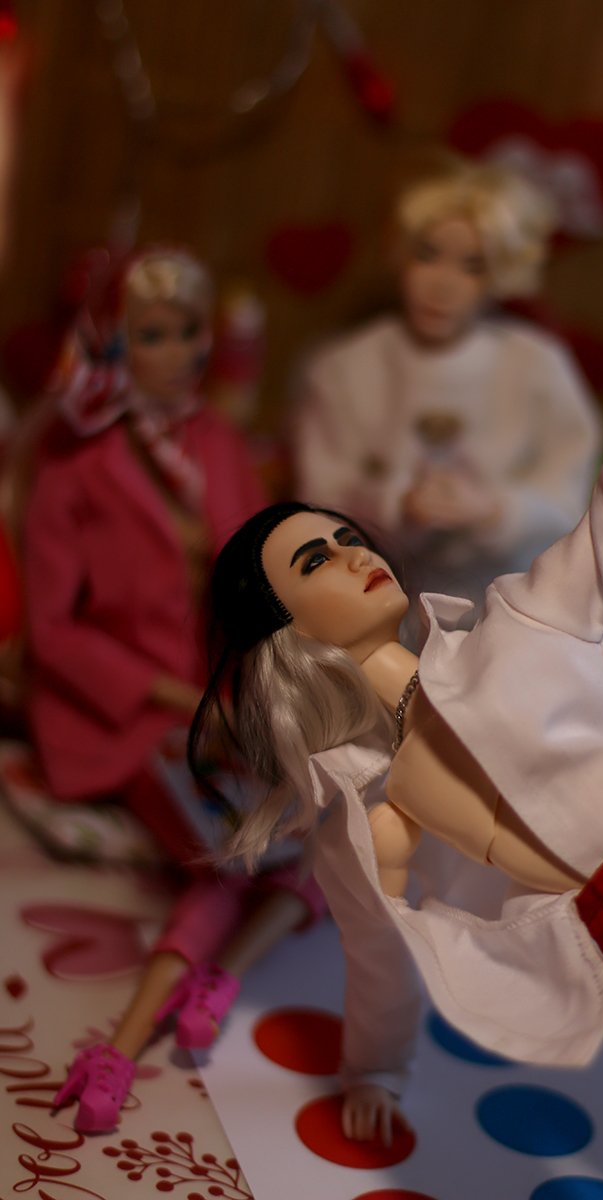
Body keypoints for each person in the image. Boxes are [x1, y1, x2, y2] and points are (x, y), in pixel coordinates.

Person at [190, 309, 603, 1179]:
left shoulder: (523, 620)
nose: (352, 553)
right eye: (315, 562)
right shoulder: (379, 812)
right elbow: (380, 958)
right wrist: (375, 1069)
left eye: (347, 536)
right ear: (289, 633)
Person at [20, 247, 323, 1133]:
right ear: (111, 345)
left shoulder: (217, 441)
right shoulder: (71, 466)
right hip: (119, 708)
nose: (182, 352)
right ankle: (123, 1044)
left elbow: (256, 564)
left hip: (221, 683)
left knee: (320, 812)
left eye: (192, 330)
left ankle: (217, 977)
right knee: (231, 841)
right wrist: (173, 695)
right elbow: (53, 633)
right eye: (154, 334)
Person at [289, 158, 603, 624]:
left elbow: (571, 492)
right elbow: (320, 498)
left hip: (508, 605)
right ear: (400, 255)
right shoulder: (345, 368)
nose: (443, 284)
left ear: (500, 275)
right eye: (427, 255)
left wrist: (496, 510)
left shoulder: (536, 366)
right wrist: (396, 507)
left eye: (472, 266)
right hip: (377, 603)